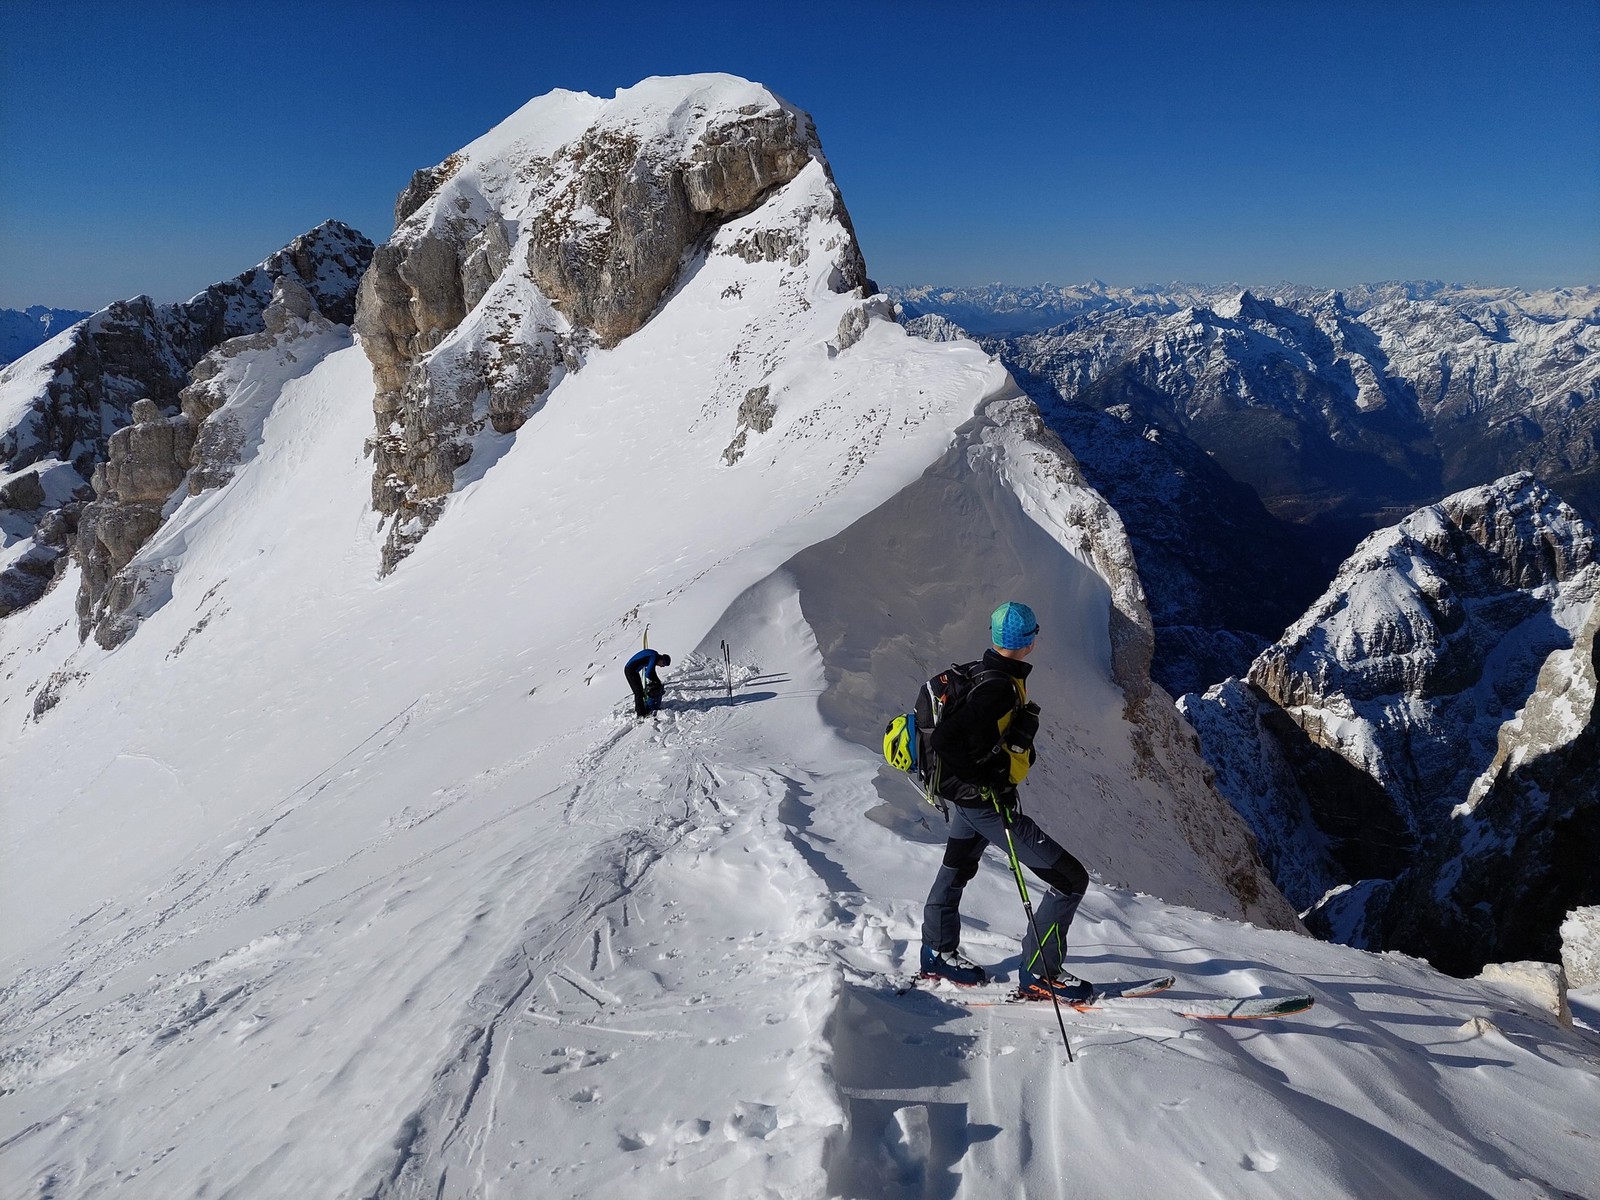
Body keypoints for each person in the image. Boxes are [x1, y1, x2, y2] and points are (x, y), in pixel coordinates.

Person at [919, 601, 1092, 1000]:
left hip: (966, 801)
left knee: (956, 868)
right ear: (1029, 641)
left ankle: (937, 951)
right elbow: (947, 741)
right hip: (982, 804)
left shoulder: (981, 672)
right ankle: (1040, 974)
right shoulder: (997, 688)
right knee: (1069, 880)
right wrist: (985, 781)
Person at [624, 647, 671, 717]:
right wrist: (657, 682)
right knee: (638, 693)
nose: (662, 666)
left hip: (633, 671)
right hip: (630, 671)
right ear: (662, 660)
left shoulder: (655, 656)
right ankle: (641, 715)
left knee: (640, 691)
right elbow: (648, 673)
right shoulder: (654, 657)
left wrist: (657, 681)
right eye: (663, 664)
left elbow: (651, 671)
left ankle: (639, 709)